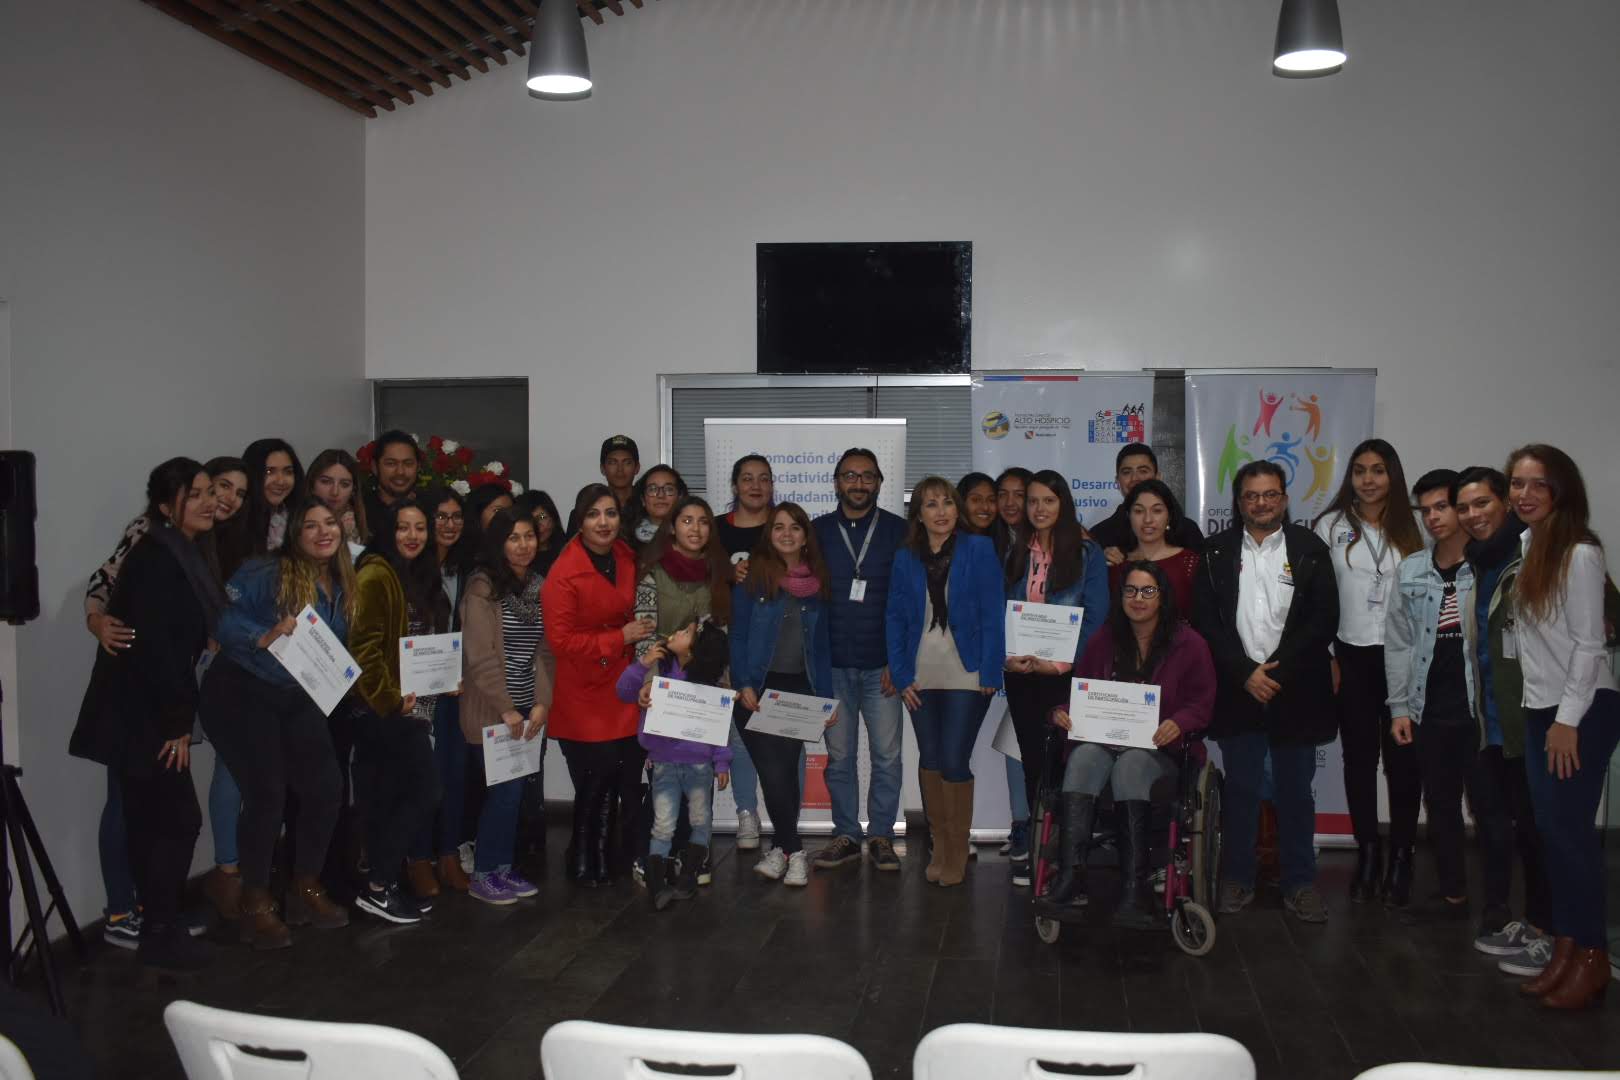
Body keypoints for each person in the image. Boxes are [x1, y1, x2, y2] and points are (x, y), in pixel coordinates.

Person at [71, 459, 224, 972]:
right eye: (194, 494)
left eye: (209, 491)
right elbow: (157, 649)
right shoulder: (158, 556)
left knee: (156, 822)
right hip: (141, 716)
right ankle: (159, 928)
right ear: (165, 506)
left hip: (145, 711)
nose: (208, 501)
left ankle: (160, 929)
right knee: (176, 820)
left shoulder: (182, 549)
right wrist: (178, 724)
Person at [201, 497, 352, 949]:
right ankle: (253, 896)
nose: (323, 532)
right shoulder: (267, 571)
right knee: (267, 792)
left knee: (326, 786)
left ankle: (304, 885)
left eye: (330, 523)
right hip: (240, 691)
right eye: (311, 525)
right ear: (294, 535)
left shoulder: (343, 582)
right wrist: (260, 636)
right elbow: (223, 617)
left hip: (293, 694)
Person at [1193, 461, 1338, 924]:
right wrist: (1244, 672)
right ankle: (1237, 879)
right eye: (1252, 495)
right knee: (1242, 790)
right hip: (1239, 691)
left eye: (1270, 494)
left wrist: (1277, 672)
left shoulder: (1310, 549)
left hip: (1295, 690)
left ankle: (1300, 882)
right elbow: (1206, 623)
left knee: (1296, 792)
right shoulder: (1215, 552)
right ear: (1239, 503)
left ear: (1284, 498)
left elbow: (1322, 621)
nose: (1261, 503)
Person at [1503, 445, 1618, 1010]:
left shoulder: (1578, 554)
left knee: (1570, 839)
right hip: (1542, 708)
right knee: (1553, 835)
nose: (1523, 495)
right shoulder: (1531, 547)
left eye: (1537, 485)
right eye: (1516, 484)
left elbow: (1589, 645)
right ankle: (1567, 949)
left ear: (1561, 491)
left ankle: (1593, 956)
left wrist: (1566, 721)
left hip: (1580, 711)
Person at [1045, 560, 1215, 927]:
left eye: (1148, 591)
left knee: (1132, 765)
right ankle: (1071, 877)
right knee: (1083, 758)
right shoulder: (1104, 639)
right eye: (1130, 591)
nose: (1138, 599)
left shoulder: (1189, 644)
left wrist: (1178, 723)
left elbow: (1201, 703)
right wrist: (1062, 712)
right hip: (1104, 744)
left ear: (1162, 597)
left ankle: (1135, 890)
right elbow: (1082, 694)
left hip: (1161, 752)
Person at [1312, 439, 1425, 906]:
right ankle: (1370, 852)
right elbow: (1315, 597)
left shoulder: (1415, 528)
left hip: (1404, 660)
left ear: (1392, 475)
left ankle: (1401, 855)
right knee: (1358, 761)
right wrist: (1327, 655)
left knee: (1404, 763)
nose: (1369, 479)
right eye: (1360, 470)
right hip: (1351, 657)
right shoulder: (1329, 526)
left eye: (1378, 470)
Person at [1384, 470, 1499, 925]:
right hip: (1428, 709)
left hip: (1481, 712)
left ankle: (1498, 905)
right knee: (1442, 804)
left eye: (1442, 507)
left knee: (1490, 809)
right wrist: (1398, 707)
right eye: (1425, 509)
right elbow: (1398, 643)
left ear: (1462, 508)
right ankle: (1453, 895)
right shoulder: (1412, 569)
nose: (1433, 517)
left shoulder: (1490, 565)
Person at [1456, 466, 1553, 972]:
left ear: (1506, 505)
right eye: (1465, 507)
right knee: (1512, 824)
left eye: (1482, 504)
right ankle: (1534, 924)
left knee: (1541, 831)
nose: (1472, 516)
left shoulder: (1538, 553)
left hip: (1537, 720)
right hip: (1493, 723)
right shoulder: (1476, 566)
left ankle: (1550, 934)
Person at [884, 477, 1004, 886]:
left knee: (954, 758)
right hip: (921, 670)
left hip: (967, 670)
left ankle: (956, 848)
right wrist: (901, 675)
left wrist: (991, 669)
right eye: (931, 504)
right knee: (931, 758)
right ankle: (938, 842)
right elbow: (896, 618)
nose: (941, 511)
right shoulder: (905, 557)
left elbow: (992, 612)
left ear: (958, 509)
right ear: (918, 513)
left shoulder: (979, 549)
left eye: (947, 503)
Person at [544, 485, 653, 886]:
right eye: (594, 514)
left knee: (617, 775)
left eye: (610, 513)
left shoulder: (626, 555)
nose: (603, 522)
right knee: (595, 775)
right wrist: (618, 638)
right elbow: (561, 642)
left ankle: (602, 858)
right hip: (584, 687)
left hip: (623, 683)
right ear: (579, 520)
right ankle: (583, 857)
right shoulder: (563, 572)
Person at [348, 501, 447, 923]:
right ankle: (378, 888)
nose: (412, 535)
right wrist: (389, 698)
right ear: (388, 530)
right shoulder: (375, 573)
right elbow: (364, 647)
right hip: (384, 711)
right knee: (425, 791)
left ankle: (382, 886)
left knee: (389, 799)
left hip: (409, 708)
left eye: (420, 527)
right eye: (403, 527)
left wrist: (444, 677)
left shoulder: (417, 574)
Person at [811, 449, 908, 873]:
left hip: (881, 667)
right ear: (836, 482)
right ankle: (846, 833)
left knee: (887, 756)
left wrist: (898, 662)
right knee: (840, 757)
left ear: (880, 482)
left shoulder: (901, 532)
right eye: (850, 475)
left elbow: (908, 604)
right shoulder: (815, 533)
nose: (858, 483)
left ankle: (883, 834)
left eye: (867, 476)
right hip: (832, 666)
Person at [731, 503, 838, 886]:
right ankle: (795, 850)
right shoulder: (752, 579)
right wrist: (742, 681)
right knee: (773, 773)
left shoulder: (819, 584)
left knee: (785, 776)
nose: (787, 534)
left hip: (800, 691)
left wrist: (826, 697)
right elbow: (739, 635)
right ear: (769, 534)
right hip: (757, 690)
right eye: (779, 527)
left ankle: (781, 848)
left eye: (795, 527)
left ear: (806, 535)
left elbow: (822, 646)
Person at [630, 494, 733, 882]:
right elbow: (643, 634)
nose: (695, 528)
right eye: (687, 520)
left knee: (698, 774)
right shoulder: (651, 572)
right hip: (661, 684)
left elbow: (719, 633)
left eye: (703, 521)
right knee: (665, 775)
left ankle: (692, 857)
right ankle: (654, 857)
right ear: (672, 526)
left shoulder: (717, 571)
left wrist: (720, 687)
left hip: (704, 683)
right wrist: (649, 681)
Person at [1002, 469, 1110, 817]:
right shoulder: (1017, 550)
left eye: (1048, 500)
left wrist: (1061, 663)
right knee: (1031, 760)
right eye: (1032, 501)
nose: (1039, 508)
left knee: (1065, 761)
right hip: (1021, 673)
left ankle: (1067, 842)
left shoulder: (1086, 552)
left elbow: (1096, 616)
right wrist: (1007, 658)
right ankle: (1040, 845)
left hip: (1065, 675)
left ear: (1063, 504)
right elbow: (1003, 611)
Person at [460, 510, 552, 904]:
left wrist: (542, 703)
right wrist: (506, 708)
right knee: (504, 793)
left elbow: (545, 653)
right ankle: (483, 874)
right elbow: (480, 657)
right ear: (499, 543)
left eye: (529, 536)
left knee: (516, 793)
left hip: (527, 709)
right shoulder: (482, 588)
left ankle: (500, 868)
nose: (523, 545)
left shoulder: (537, 585)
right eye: (513, 537)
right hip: (493, 712)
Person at [616, 621, 733, 910]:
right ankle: (657, 885)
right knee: (663, 824)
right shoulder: (659, 671)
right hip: (664, 764)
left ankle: (687, 878)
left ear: (695, 652)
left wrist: (721, 762)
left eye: (687, 633)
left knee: (700, 822)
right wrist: (642, 665)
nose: (677, 632)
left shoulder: (711, 685)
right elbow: (623, 690)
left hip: (699, 766)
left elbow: (719, 729)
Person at [407, 486, 474, 893]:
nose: (449, 524)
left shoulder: (465, 568)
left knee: (455, 774)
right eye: (441, 517)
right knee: (422, 778)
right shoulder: (410, 568)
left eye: (455, 517)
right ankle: (418, 858)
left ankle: (448, 854)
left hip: (457, 690)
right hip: (417, 694)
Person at [199, 456, 250, 922]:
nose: (228, 498)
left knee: (239, 768)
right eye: (221, 487)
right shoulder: (179, 538)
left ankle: (236, 870)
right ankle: (227, 871)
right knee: (230, 767)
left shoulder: (237, 541)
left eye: (238, 492)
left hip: (246, 664)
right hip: (206, 669)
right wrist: (96, 616)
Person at [992, 466, 1034, 877]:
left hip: (1050, 663)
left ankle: (1035, 827)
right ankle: (1021, 824)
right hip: (1006, 661)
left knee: (1027, 743)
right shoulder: (989, 541)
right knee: (1015, 742)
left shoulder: (1061, 542)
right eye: (1001, 494)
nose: (1009, 503)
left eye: (1018, 494)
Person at [1089, 444, 1204, 564]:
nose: (1135, 478)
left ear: (1157, 477)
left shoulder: (1187, 530)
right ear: (1117, 481)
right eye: (1127, 472)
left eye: (1143, 471)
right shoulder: (1100, 535)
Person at [1105, 479, 1201, 615]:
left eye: (1157, 511)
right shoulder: (1116, 563)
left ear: (1169, 516)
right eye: (1139, 511)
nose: (1148, 519)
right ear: (1129, 516)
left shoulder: (1190, 562)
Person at [241, 438, 304, 556]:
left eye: (288, 472)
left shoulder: (299, 516)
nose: (280, 481)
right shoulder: (237, 520)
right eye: (269, 472)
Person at [306, 448, 371, 557]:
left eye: (344, 484)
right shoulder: (292, 522)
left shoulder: (365, 524)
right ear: (312, 484)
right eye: (326, 482)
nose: (335, 492)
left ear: (353, 491)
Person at [363, 429, 420, 527]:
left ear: (418, 467)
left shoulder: (431, 509)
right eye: (391, 463)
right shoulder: (360, 511)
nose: (400, 472)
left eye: (408, 463)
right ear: (375, 467)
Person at [623, 464, 687, 549]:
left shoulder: (693, 534)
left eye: (669, 489)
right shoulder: (626, 539)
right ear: (643, 500)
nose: (660, 495)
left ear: (680, 497)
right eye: (652, 489)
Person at [514, 488, 565, 576]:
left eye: (542, 517)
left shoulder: (567, 551)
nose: (538, 526)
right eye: (530, 520)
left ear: (553, 517)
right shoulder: (518, 557)